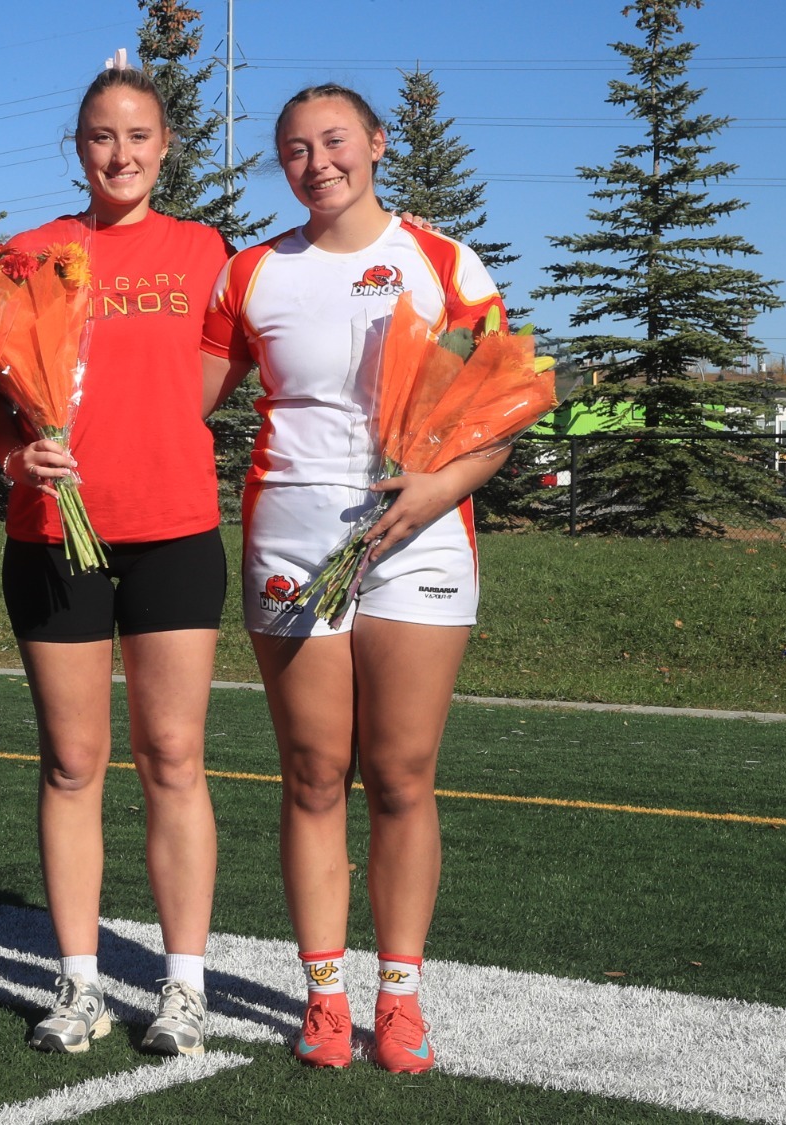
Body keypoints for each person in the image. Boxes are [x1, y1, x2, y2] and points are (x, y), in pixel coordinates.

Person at [200, 83, 510, 1074]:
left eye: (333, 141)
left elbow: (497, 417)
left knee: (402, 773)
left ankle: (403, 996)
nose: (316, 162)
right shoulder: (249, 273)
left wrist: (434, 490)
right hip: (291, 539)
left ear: (375, 144)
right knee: (310, 773)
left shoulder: (443, 262)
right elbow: (178, 404)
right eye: (293, 149)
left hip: (417, 536)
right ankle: (325, 997)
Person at [0, 60, 233, 1058]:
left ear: (164, 147)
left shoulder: (203, 249)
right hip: (54, 537)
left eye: (137, 136)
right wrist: (19, 451)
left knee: (172, 758)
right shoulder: (25, 253)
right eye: (100, 136)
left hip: (173, 530)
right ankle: (78, 984)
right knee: (72, 762)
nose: (119, 154)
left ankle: (181, 987)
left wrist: (148, 437)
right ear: (76, 147)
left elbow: (208, 378)